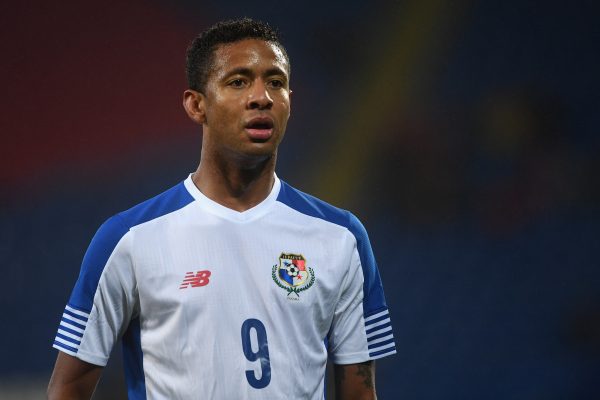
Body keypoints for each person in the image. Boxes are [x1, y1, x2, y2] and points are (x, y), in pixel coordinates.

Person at [47, 18, 396, 400]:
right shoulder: (128, 239)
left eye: (276, 82)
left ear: (290, 103)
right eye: (239, 81)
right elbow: (69, 387)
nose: (261, 96)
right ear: (197, 105)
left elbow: (360, 392)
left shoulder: (340, 237)